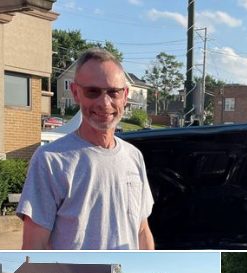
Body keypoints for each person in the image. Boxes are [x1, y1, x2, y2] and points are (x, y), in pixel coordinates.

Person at [17, 48, 154, 250]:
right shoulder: (50, 160)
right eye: (93, 92)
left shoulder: (134, 157)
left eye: (113, 92)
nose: (104, 103)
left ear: (124, 95)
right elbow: (34, 245)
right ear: (75, 93)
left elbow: (142, 230)